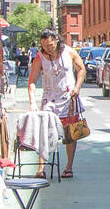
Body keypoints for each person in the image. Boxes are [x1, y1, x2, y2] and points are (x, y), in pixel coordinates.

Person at [26, 26, 86, 177]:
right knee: (44, 133)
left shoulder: (69, 52)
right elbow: (32, 80)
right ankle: (41, 169)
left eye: (50, 45)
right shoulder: (40, 58)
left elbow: (81, 69)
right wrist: (32, 101)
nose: (47, 48)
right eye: (44, 46)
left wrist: (77, 87)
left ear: (57, 40)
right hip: (49, 99)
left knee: (70, 134)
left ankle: (68, 167)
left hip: (68, 98)